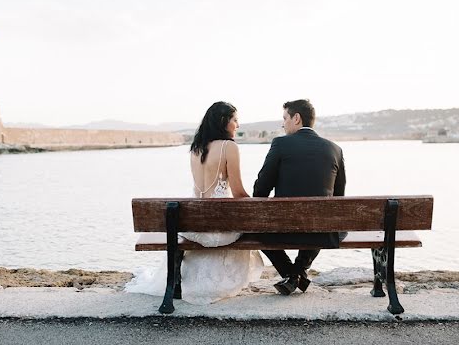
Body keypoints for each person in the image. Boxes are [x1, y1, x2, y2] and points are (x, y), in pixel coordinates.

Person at [124, 101, 263, 304]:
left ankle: (184, 279)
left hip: (194, 228)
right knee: (244, 226)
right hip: (219, 229)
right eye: (235, 120)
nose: (238, 125)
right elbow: (239, 192)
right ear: (224, 121)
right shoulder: (229, 147)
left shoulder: (195, 149)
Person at [252, 99, 347, 295]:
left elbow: (261, 190)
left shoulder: (280, 144)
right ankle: (300, 270)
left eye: (285, 118)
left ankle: (291, 273)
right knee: (323, 221)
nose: (283, 123)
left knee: (253, 231)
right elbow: (339, 198)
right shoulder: (335, 149)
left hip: (283, 229)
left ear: (296, 118)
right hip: (322, 232)